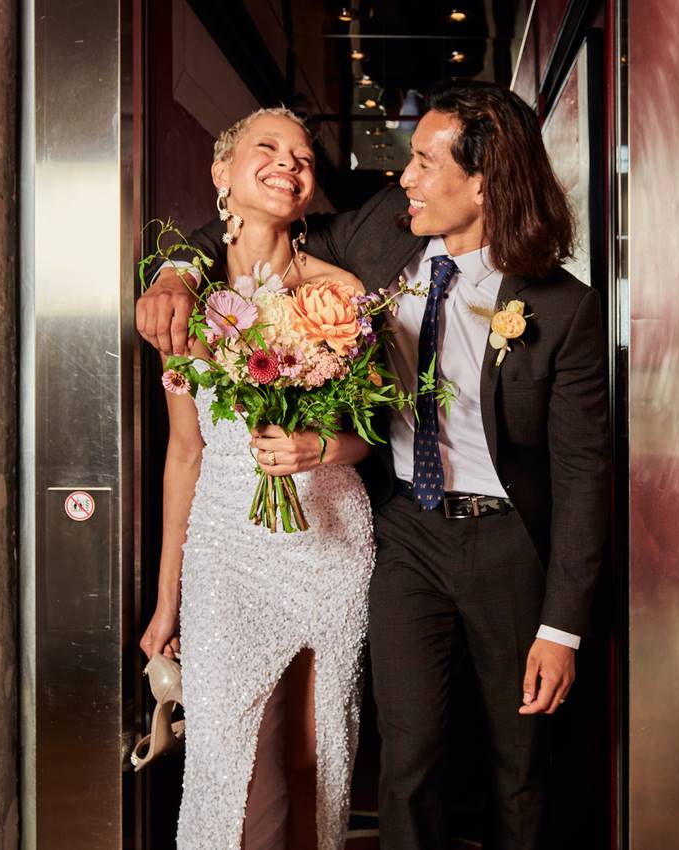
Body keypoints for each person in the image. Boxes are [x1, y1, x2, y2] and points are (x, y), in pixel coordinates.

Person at [139, 80, 611, 849]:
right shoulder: (379, 240)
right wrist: (176, 273)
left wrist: (562, 629)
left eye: (425, 162)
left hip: (508, 544)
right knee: (407, 754)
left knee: (521, 761)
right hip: (404, 536)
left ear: (484, 183)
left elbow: (586, 477)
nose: (406, 177)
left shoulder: (562, 309)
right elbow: (254, 228)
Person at [137, 105, 376, 850]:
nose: (289, 164)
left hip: (328, 541)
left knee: (315, 756)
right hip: (226, 550)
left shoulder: (339, 292)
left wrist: (322, 450)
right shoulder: (183, 304)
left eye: (303, 156)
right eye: (266, 148)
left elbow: (372, 435)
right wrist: (166, 599)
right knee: (232, 763)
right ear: (222, 175)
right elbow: (186, 452)